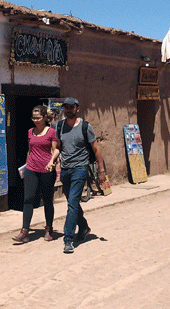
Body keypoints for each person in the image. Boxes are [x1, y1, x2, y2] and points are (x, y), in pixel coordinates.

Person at [56, 97, 106, 254]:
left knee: (72, 202)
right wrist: (54, 160)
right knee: (73, 203)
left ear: (77, 108)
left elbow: (96, 149)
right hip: (66, 169)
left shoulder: (85, 126)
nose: (68, 110)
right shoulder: (60, 126)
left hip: (80, 168)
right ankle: (83, 226)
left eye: (71, 107)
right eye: (66, 107)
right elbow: (58, 146)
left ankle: (68, 239)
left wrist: (101, 170)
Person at [11, 105, 60, 244]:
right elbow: (30, 150)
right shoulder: (30, 132)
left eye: (38, 117)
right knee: (28, 199)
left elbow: (56, 150)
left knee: (47, 200)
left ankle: (48, 228)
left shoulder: (52, 132)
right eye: (34, 118)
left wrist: (52, 161)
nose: (36, 120)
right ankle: (24, 231)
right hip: (32, 169)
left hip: (46, 170)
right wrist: (27, 166)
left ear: (45, 117)